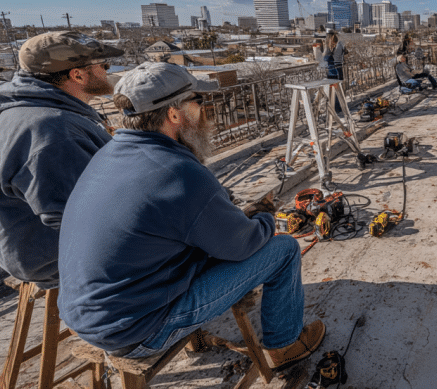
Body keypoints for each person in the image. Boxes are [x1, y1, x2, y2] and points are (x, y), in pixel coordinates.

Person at [58, 62, 324, 371]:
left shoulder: (109, 154)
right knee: (283, 250)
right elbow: (243, 245)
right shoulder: (176, 172)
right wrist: (263, 217)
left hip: (88, 317)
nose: (204, 111)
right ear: (173, 114)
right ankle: (285, 346)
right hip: (137, 330)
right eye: (198, 101)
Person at [0, 31, 123, 289]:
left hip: (35, 243)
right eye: (104, 66)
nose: (107, 71)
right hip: (53, 256)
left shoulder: (31, 108)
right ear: (78, 75)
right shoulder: (53, 131)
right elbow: (84, 221)